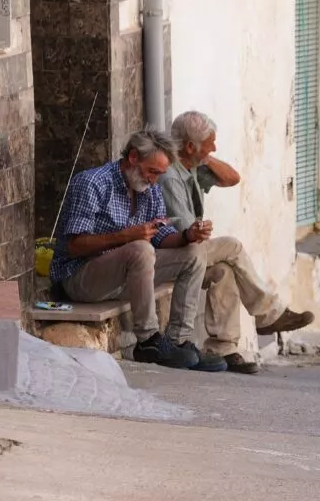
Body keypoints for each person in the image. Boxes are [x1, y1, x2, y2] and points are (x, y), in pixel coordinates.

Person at [49, 129, 226, 372]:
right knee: (140, 249)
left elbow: (162, 236)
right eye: (152, 171)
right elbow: (74, 246)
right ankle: (148, 341)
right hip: (80, 278)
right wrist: (125, 237)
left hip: (124, 275)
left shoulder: (149, 189)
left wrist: (188, 236)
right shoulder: (92, 183)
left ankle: (178, 340)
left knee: (194, 253)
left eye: (159, 174)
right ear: (133, 157)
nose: (154, 180)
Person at [159, 110, 315, 374]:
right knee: (232, 246)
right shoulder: (171, 177)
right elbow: (187, 234)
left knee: (224, 272)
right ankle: (269, 313)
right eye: (210, 142)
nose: (215, 147)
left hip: (190, 254)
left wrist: (204, 156)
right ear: (189, 146)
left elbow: (232, 178)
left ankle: (223, 348)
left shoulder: (191, 168)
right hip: (173, 254)